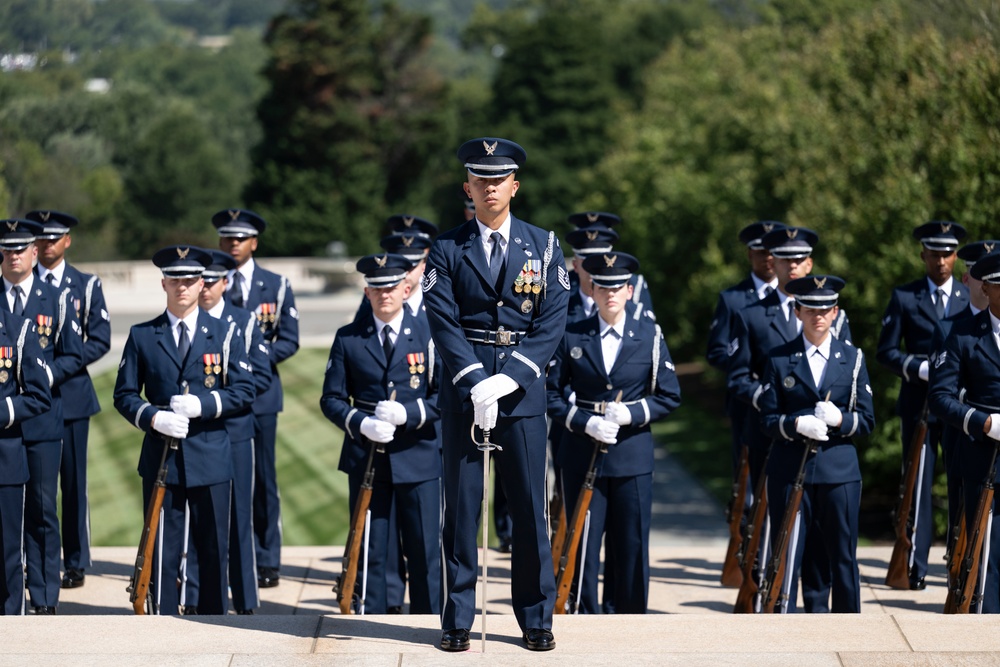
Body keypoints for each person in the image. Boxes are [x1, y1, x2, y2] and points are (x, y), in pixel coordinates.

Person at [423, 137, 570, 651]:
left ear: (515, 186)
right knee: (461, 509)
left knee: (530, 509)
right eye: (480, 181)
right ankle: (457, 617)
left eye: (499, 179)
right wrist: (472, 380)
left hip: (522, 392)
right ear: (468, 188)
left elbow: (553, 320)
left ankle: (535, 616)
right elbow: (441, 318)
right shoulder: (445, 248)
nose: (490, 188)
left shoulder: (545, 245)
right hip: (465, 393)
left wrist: (512, 377)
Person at [113, 245, 254, 615]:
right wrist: (152, 417)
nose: (183, 287)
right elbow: (124, 394)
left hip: (210, 454)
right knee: (162, 548)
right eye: (175, 280)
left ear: (201, 283)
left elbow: (244, 389)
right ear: (163, 283)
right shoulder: (143, 335)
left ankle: (213, 623)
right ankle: (161, 623)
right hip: (162, 457)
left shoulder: (225, 332)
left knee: (212, 550)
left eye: (190, 280)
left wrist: (204, 405)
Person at [546, 251, 681, 613]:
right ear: (591, 289)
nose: (610, 294)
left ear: (629, 290)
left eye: (617, 287)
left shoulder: (649, 335)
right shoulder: (572, 334)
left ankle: (632, 619)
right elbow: (551, 395)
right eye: (602, 286)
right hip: (581, 452)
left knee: (631, 545)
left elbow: (670, 394)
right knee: (583, 544)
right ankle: (584, 616)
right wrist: (584, 421)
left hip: (632, 456)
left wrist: (633, 413)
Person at [728, 226, 850, 612]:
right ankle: (765, 593)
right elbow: (737, 375)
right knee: (767, 520)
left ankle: (812, 601)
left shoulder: (832, 313)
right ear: (773, 262)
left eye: (800, 260)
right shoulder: (751, 313)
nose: (793, 266)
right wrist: (768, 399)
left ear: (809, 263)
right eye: (786, 260)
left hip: (821, 443)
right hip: (772, 432)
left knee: (814, 527)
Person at [321, 253, 443, 614]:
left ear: (407, 289)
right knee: (374, 549)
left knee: (424, 550)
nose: (384, 294)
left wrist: (410, 413)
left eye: (391, 287)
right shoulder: (349, 338)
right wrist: (361, 423)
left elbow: (447, 397)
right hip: (367, 458)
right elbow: (331, 399)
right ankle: (376, 619)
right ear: (366, 291)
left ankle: (429, 620)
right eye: (376, 288)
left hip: (418, 456)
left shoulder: (430, 332)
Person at [758, 275, 874, 613]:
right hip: (791, 470)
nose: (818, 316)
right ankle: (785, 626)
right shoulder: (780, 359)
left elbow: (867, 420)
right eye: (810, 309)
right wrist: (795, 424)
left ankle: (848, 627)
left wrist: (841, 420)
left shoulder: (852, 359)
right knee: (788, 553)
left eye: (825, 309)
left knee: (842, 556)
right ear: (797, 312)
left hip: (839, 472)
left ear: (835, 313)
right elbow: (766, 420)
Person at [877, 221, 968, 590]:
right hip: (919, 407)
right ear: (923, 256)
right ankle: (914, 565)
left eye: (948, 254)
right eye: (935, 254)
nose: (942, 261)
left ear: (956, 256)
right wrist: (915, 366)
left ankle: (959, 561)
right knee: (917, 486)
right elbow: (885, 351)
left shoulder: (969, 297)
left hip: (959, 408)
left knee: (961, 482)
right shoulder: (905, 297)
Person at [181, 249, 273, 615]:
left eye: (214, 281)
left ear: (225, 283)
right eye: (203, 281)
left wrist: (216, 400)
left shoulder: (242, 321)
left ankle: (246, 600)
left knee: (238, 519)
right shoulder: (186, 319)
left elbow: (260, 375)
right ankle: (194, 596)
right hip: (195, 436)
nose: (206, 289)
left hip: (234, 431)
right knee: (196, 523)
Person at [0, 219, 84, 614]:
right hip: (4, 426)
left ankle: (46, 596)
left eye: (21, 249)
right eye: (8, 249)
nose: (14, 256)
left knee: (43, 509)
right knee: (7, 516)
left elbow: (74, 351)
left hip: (43, 417)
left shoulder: (57, 297)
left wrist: (45, 375)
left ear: (36, 252)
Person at [213, 208, 300, 589]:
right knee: (221, 477)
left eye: (240, 238)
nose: (233, 243)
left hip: (262, 395)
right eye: (227, 238)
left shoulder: (276, 286)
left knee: (264, 479)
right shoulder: (209, 282)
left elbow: (290, 338)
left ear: (254, 242)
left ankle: (267, 558)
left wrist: (251, 361)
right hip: (218, 394)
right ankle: (229, 553)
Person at [27, 210, 111, 591]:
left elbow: (100, 339)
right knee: (35, 486)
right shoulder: (21, 283)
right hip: (29, 400)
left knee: (73, 484)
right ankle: (36, 558)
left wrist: (53, 371)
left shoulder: (85, 285)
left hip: (71, 397)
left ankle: (75, 561)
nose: (46, 244)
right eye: (41, 238)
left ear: (67, 241)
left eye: (53, 237)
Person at [928, 249, 1000, 612]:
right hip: (984, 462)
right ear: (986, 289)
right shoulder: (963, 334)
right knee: (986, 563)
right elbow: (939, 397)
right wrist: (982, 421)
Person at [0, 283, 52, 615]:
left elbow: (39, 395)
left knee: (7, 556)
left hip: (4, 461)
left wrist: (2, 413)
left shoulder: (17, 329)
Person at [566, 212, 655, 317]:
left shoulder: (634, 283)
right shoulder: (562, 287)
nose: (593, 266)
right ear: (575, 265)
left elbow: (645, 328)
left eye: (599, 259)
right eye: (587, 260)